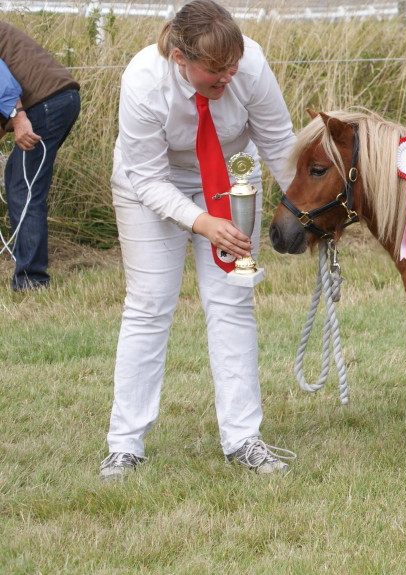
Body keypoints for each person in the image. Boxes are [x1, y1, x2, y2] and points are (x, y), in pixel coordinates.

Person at [101, 0, 297, 479]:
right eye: (215, 71)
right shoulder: (143, 81)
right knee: (149, 305)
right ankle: (125, 445)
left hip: (229, 178)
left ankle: (243, 439)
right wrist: (202, 222)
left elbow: (277, 142)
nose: (228, 78)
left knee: (232, 301)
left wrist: (306, 210)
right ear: (180, 61)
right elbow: (146, 178)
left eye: (232, 67)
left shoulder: (249, 65)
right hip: (149, 184)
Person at [0, 22, 81, 292]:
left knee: (24, 189)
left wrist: (19, 117)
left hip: (44, 104)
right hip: (56, 100)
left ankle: (32, 280)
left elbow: (3, 81)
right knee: (18, 179)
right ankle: (30, 274)